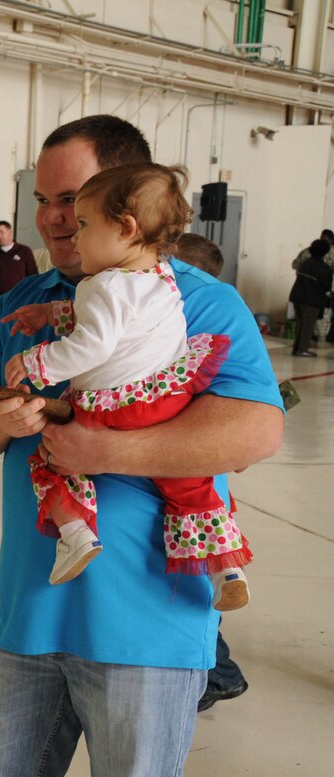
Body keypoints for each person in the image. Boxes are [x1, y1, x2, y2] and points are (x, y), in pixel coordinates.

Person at [0, 114, 283, 776]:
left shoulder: (199, 304)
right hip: (24, 624)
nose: (52, 218)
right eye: (41, 200)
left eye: (72, 199)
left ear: (125, 206)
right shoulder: (27, 305)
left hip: (149, 638)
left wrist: (102, 453)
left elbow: (256, 431)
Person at [1, 163, 251, 606]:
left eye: (83, 224)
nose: (74, 237)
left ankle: (75, 535)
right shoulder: (160, 277)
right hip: (166, 399)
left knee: (51, 460)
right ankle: (225, 568)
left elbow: (93, 345)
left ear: (125, 227)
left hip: (111, 407)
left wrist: (36, 360)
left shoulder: (103, 284)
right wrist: (49, 314)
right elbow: (121, 324)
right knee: (190, 485)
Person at [172, 233, 251, 711]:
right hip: (202, 492)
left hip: (201, 489)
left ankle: (221, 674)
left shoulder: (211, 331)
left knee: (204, 584)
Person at [0, 220, 38, 322]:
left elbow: (33, 278)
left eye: (1, 232)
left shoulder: (24, 251)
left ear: (10, 231)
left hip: (19, 298)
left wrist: (34, 300)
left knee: (18, 328)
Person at [289, 238, 334, 357]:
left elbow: (295, 266)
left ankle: (296, 348)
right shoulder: (323, 267)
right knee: (307, 325)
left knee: (300, 324)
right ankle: (302, 349)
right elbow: (327, 286)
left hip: (297, 296)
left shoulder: (306, 262)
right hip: (310, 300)